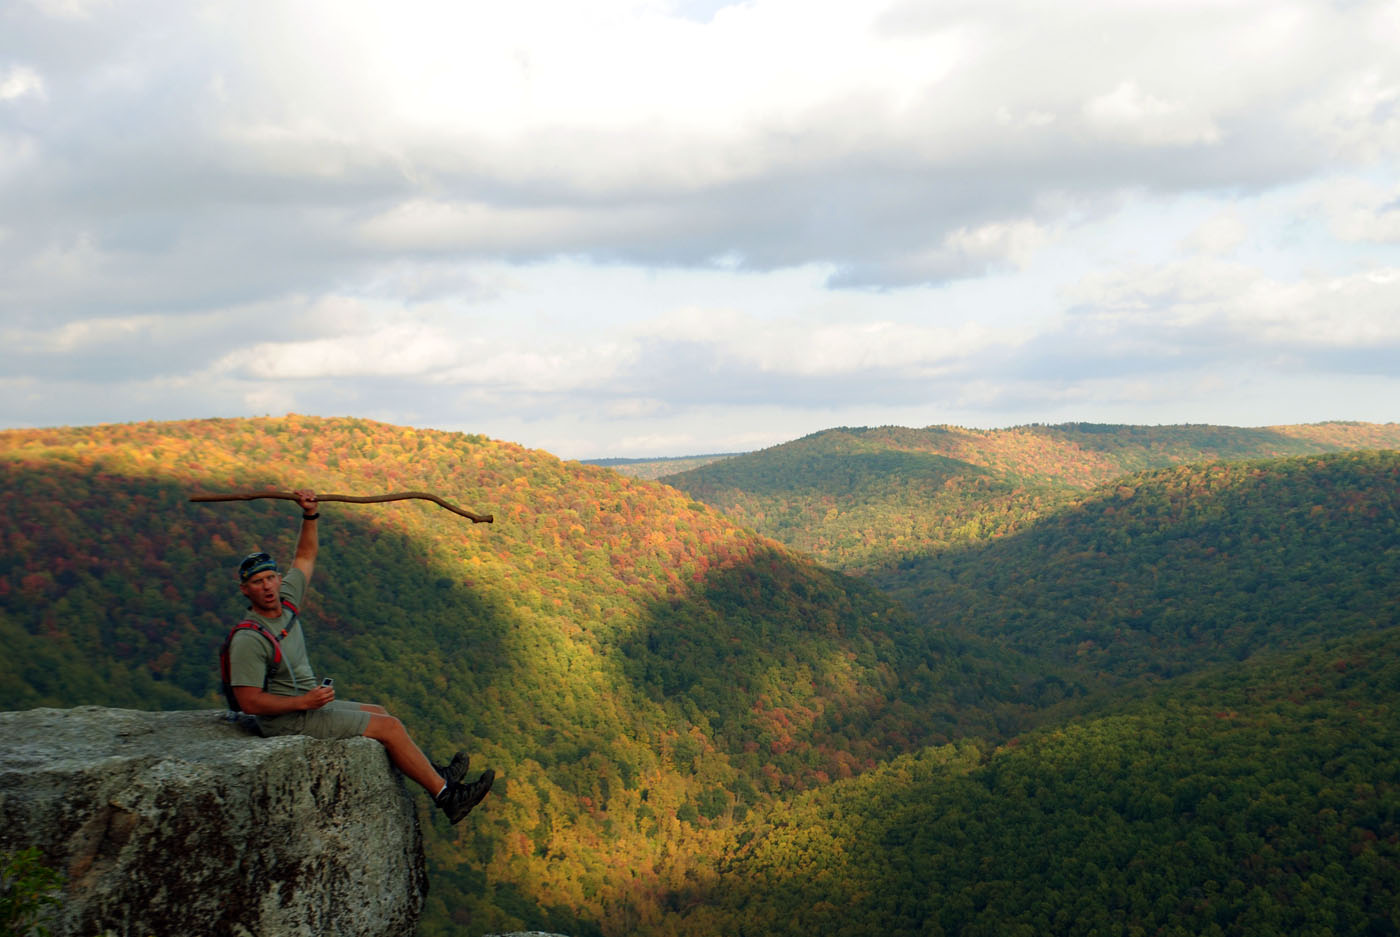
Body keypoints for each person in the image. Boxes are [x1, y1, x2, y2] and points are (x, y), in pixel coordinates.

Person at [225, 488, 493, 824]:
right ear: (245, 589)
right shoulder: (250, 638)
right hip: (289, 720)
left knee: (380, 712)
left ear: (278, 580)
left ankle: (435, 773)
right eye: (257, 582)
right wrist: (303, 701)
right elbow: (248, 701)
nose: (266, 587)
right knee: (389, 727)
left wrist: (310, 514)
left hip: (307, 706)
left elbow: (305, 557)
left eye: (269, 578)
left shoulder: (287, 599)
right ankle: (447, 797)